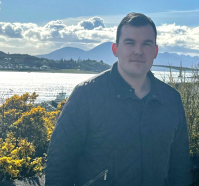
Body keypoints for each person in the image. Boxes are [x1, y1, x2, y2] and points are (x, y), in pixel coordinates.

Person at [45, 12, 190, 186]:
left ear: (155, 51)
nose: (138, 51)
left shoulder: (171, 99)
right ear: (115, 49)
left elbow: (179, 168)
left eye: (146, 44)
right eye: (130, 43)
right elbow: (59, 165)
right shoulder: (86, 95)